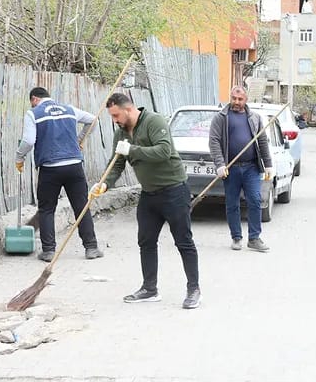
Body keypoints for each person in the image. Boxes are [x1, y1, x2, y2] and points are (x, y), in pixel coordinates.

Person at [92, 93, 201, 309]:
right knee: (146, 241)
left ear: (128, 109)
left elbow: (163, 151)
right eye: (112, 117)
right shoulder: (121, 134)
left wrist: (133, 149)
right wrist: (104, 184)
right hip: (149, 194)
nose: (115, 120)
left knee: (184, 241)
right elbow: (117, 164)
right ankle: (150, 289)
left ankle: (193, 289)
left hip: (174, 191)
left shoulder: (154, 121)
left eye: (116, 115)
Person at [15, 87, 103, 262]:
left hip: (50, 168)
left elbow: (29, 140)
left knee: (47, 209)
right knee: (81, 206)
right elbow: (93, 120)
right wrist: (79, 140)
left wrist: (19, 156)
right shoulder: (69, 109)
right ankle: (91, 248)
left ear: (34, 99)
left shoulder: (33, 113)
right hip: (74, 166)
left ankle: (48, 251)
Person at [208, 86, 274, 253]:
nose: (236, 102)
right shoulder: (221, 118)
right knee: (232, 204)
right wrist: (220, 164)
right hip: (230, 168)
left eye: (240, 99)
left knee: (255, 200)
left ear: (246, 99)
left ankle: (254, 238)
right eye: (234, 98)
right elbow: (214, 141)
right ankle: (236, 237)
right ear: (230, 98)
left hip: (251, 167)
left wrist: (268, 165)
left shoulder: (254, 118)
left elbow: (263, 142)